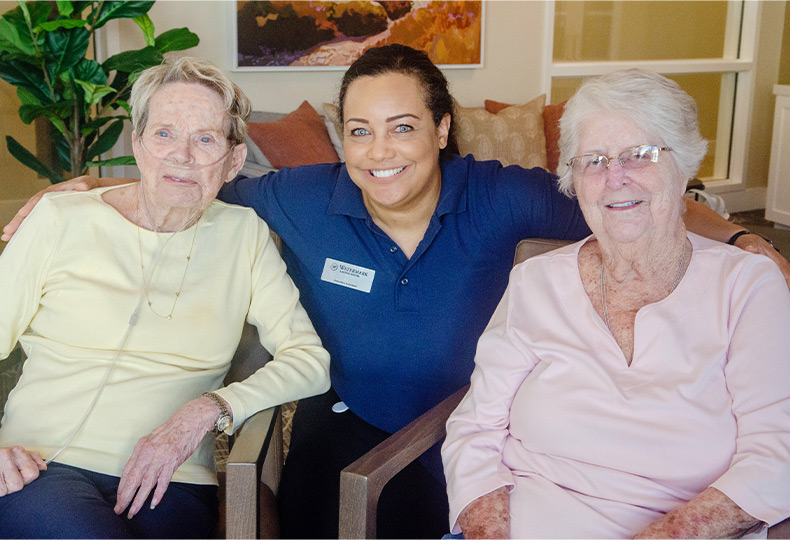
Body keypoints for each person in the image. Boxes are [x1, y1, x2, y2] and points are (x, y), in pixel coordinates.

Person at [3, 45, 787, 538]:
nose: (379, 152)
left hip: (468, 428)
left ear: (442, 130)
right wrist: (80, 187)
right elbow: (183, 176)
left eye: (404, 127)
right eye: (361, 130)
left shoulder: (502, 195)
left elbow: (620, 194)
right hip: (348, 421)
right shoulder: (299, 198)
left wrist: (745, 240)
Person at [441, 69, 790, 539]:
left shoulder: (747, 286)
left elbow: (778, 453)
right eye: (594, 161)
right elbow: (474, 429)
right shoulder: (535, 282)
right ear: (573, 179)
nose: (614, 178)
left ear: (683, 165)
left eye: (639, 156)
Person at [0, 58, 330, 539]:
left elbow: (310, 360)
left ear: (234, 161)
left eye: (205, 139)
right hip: (38, 465)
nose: (182, 156)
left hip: (169, 480)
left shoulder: (245, 236)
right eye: (163, 134)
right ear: (137, 144)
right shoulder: (59, 219)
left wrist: (207, 410)